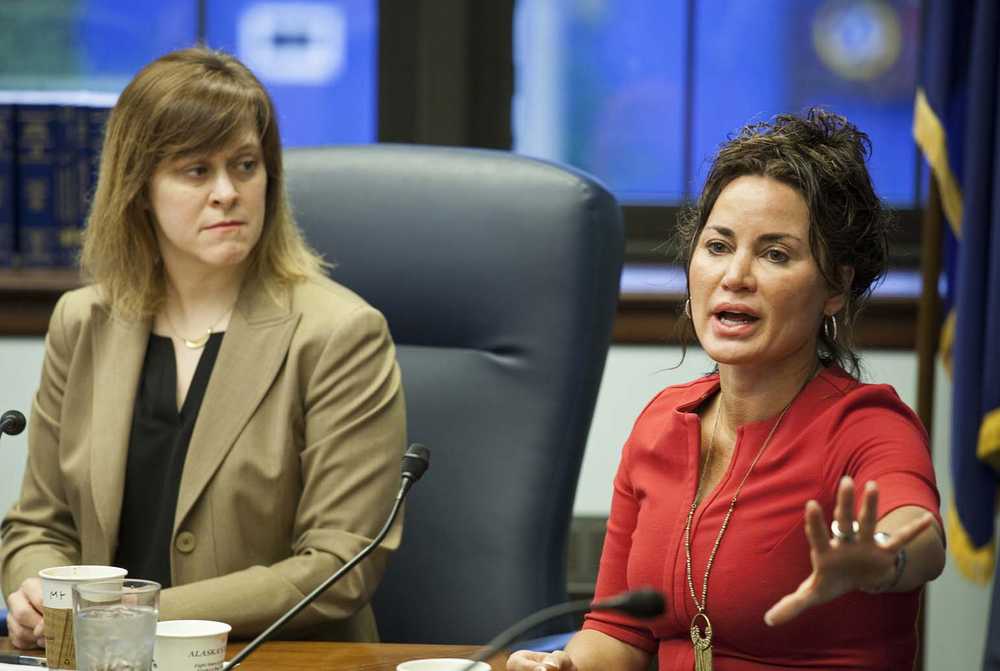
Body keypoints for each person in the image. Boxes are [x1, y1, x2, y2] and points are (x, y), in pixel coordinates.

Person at [508, 109, 945, 670]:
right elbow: (618, 633)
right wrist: (563, 666)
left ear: (836, 286)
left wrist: (885, 560)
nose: (735, 275)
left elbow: (921, 535)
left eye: (775, 254)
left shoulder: (866, 424)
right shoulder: (663, 422)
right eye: (718, 246)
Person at [1, 47, 406, 647]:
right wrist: (39, 592)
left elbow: (339, 565)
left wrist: (128, 613)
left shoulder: (340, 334)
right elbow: (40, 523)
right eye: (196, 171)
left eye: (245, 165)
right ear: (140, 189)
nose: (227, 192)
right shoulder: (82, 321)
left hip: (275, 658)